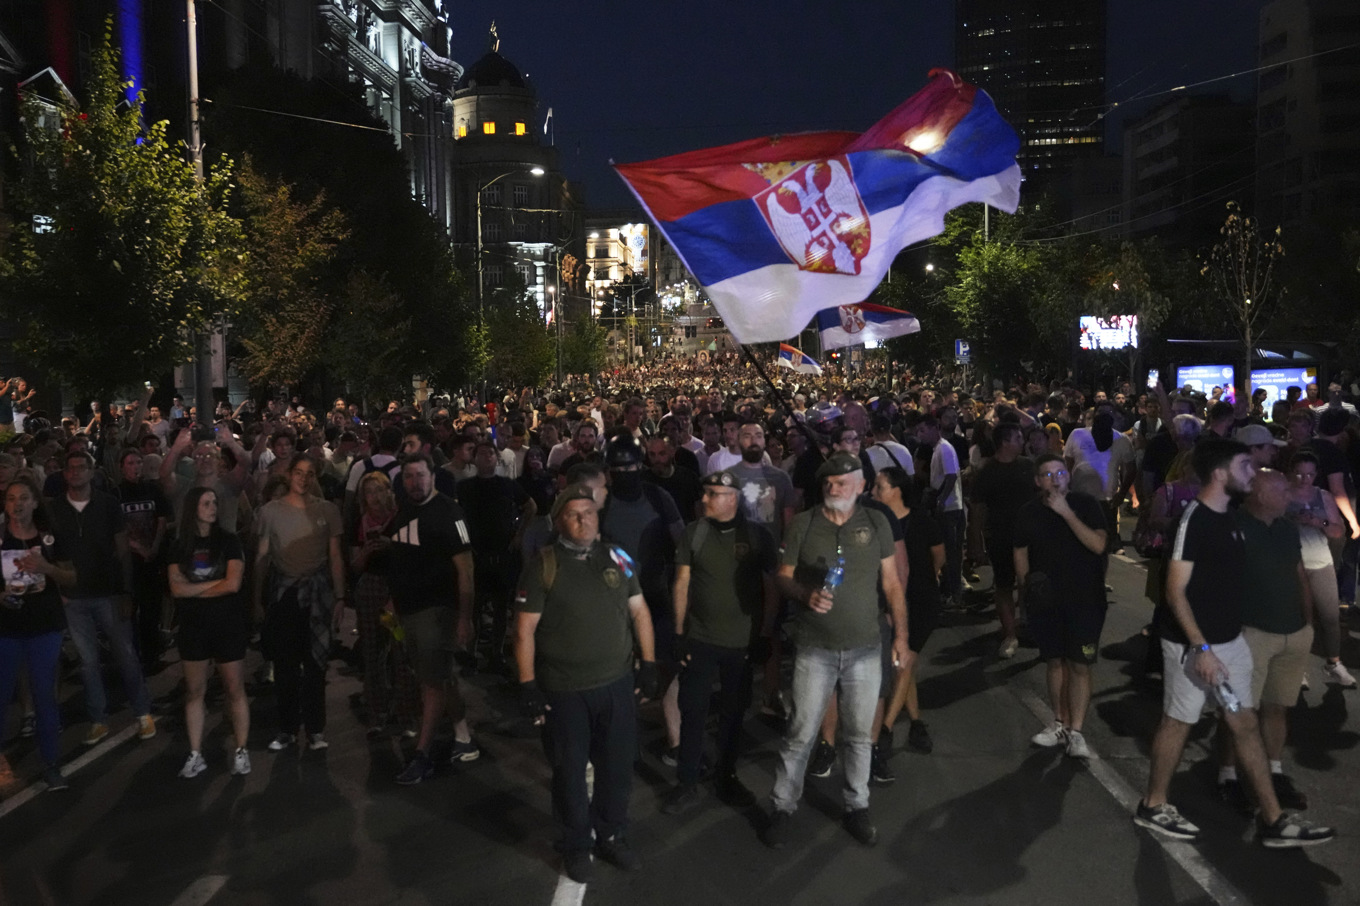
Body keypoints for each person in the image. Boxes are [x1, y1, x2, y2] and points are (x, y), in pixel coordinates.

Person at [1133, 439, 1334, 848]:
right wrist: (1201, 648)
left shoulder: (1230, 517)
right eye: (1246, 465)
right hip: (1194, 646)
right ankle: (1153, 805)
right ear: (1221, 473)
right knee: (1179, 721)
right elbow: (1175, 592)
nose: (1253, 471)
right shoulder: (1195, 519)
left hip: (1231, 642)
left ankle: (1273, 820)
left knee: (1244, 724)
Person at [763, 452, 910, 849]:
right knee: (800, 732)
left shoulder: (876, 521)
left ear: (860, 486)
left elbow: (893, 584)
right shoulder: (803, 524)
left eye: (842, 483)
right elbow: (782, 577)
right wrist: (803, 594)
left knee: (861, 734)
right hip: (815, 648)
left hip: (865, 646)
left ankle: (857, 805)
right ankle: (782, 805)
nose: (833, 489)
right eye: (828, 483)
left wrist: (901, 636)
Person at [514, 484, 659, 883]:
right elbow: (524, 631)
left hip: (616, 684)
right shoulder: (543, 564)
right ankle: (577, 841)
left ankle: (612, 832)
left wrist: (648, 664)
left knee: (617, 769)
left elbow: (640, 611)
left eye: (590, 512)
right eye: (574, 513)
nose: (584, 519)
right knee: (570, 771)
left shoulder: (619, 557)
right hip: (564, 690)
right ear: (559, 521)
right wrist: (527, 685)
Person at [663, 470, 778, 815]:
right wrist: (680, 632)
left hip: (741, 644)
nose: (705, 499)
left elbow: (772, 588)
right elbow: (681, 584)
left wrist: (764, 635)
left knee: (733, 714)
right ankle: (686, 782)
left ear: (733, 498)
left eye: (713, 494)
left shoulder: (757, 537)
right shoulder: (694, 533)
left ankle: (726, 776)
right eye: (705, 493)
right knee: (693, 711)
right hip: (700, 640)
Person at [1216, 469, 1315, 811]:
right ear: (1259, 495)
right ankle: (1228, 774)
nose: (1290, 494)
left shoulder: (1286, 529)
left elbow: (1298, 572)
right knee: (1240, 710)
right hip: (1251, 632)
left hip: (1292, 631)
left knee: (1277, 707)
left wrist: (1307, 623)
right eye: (1282, 490)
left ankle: (1272, 770)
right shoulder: (1233, 528)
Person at [384, 454, 481, 783]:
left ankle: (422, 754)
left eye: (420, 475)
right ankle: (463, 735)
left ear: (433, 476)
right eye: (409, 476)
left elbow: (466, 571)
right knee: (439, 675)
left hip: (437, 611)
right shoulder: (405, 509)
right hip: (408, 611)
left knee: (431, 682)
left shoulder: (449, 513)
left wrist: (464, 619)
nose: (415, 482)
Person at [50, 450, 156, 745]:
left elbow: (122, 550)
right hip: (74, 598)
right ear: (65, 473)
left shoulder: (108, 504)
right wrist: (60, 591)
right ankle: (98, 718)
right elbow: (52, 554)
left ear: (91, 471)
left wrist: (125, 590)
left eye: (81, 467)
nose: (76, 473)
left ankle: (142, 711)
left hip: (108, 592)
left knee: (126, 655)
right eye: (70, 468)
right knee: (87, 662)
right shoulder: (55, 508)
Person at [1015, 454, 1108, 759]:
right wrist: (1026, 590)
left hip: (1085, 600)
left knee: (1079, 665)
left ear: (1068, 475)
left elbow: (1097, 544)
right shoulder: (1028, 512)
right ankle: (1058, 722)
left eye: (1060, 473)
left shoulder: (1087, 505)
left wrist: (1066, 513)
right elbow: (1020, 551)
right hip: (1046, 601)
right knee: (1054, 662)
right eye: (1047, 474)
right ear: (1037, 481)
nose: (1055, 479)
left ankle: (1076, 731)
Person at [253, 454, 345, 752]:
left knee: (316, 665)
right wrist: (256, 598)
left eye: (310, 474)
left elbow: (334, 557)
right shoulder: (269, 512)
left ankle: (316, 730)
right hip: (285, 595)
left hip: (318, 594)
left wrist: (341, 597)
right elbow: (263, 557)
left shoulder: (328, 510)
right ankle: (287, 729)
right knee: (285, 666)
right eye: (299, 472)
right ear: (290, 474)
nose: (304, 479)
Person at [168, 487, 251, 779]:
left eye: (215, 502)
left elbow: (233, 584)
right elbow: (175, 588)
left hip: (227, 624)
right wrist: (209, 588)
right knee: (194, 691)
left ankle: (241, 750)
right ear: (193, 509)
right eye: (206, 503)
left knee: (234, 688)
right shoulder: (180, 545)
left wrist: (194, 591)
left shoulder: (228, 541)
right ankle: (195, 753)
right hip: (194, 628)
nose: (212, 508)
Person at [0, 474, 76, 790]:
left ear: (34, 503)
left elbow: (72, 577)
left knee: (44, 695)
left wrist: (48, 569)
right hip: (6, 628)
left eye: (23, 498)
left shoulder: (49, 538)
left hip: (45, 626)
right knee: (2, 696)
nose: (17, 504)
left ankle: (51, 765)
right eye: (11, 498)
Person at [872, 466, 943, 755]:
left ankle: (885, 729)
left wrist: (929, 578)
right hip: (893, 602)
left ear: (897, 491)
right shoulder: (877, 523)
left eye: (879, 487)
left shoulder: (921, 521)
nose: (873, 492)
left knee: (903, 663)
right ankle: (916, 722)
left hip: (922, 601)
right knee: (905, 666)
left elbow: (939, 555)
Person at [349, 471, 420, 737]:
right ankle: (377, 712)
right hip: (371, 591)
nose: (376, 497)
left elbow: (415, 556)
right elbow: (354, 565)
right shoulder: (363, 522)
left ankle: (407, 714)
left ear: (390, 491)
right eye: (370, 492)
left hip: (397, 592)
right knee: (372, 652)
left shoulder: (402, 517)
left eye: (380, 490)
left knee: (402, 651)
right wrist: (366, 552)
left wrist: (392, 544)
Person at [457, 440, 535, 673]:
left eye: (490, 453)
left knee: (501, 608)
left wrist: (520, 535)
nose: (486, 458)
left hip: (503, 553)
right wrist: (463, 542)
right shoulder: (464, 487)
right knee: (475, 607)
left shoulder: (508, 485)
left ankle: (497, 653)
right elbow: (456, 515)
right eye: (481, 454)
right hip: (476, 554)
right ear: (475, 458)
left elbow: (531, 506)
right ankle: (470, 653)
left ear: (496, 457)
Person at [1284, 452, 1354, 687]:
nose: (1305, 479)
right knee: (1300, 619)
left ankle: (1333, 663)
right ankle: (1297, 667)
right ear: (1290, 472)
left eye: (1310, 474)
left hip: (1319, 560)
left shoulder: (1322, 496)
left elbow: (1337, 531)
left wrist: (1319, 522)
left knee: (1330, 616)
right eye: (1300, 473)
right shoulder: (1281, 494)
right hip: (1291, 564)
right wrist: (1291, 520)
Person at [971, 422, 1036, 658]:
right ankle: (1010, 635)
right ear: (1005, 442)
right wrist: (976, 543)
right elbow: (977, 510)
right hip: (1001, 537)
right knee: (1004, 585)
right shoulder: (988, 472)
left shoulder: (1029, 466)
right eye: (1018, 437)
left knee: (1031, 584)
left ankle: (1034, 627)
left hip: (1030, 538)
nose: (1023, 441)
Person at [116, 449, 170, 671]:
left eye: (139, 462)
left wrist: (154, 547)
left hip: (151, 560)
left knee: (151, 610)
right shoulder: (116, 494)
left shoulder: (152, 489)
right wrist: (137, 547)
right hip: (128, 562)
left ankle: (150, 656)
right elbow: (115, 528)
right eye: (131, 463)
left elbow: (162, 519)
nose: (136, 466)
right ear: (122, 467)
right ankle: (130, 657)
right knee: (128, 612)